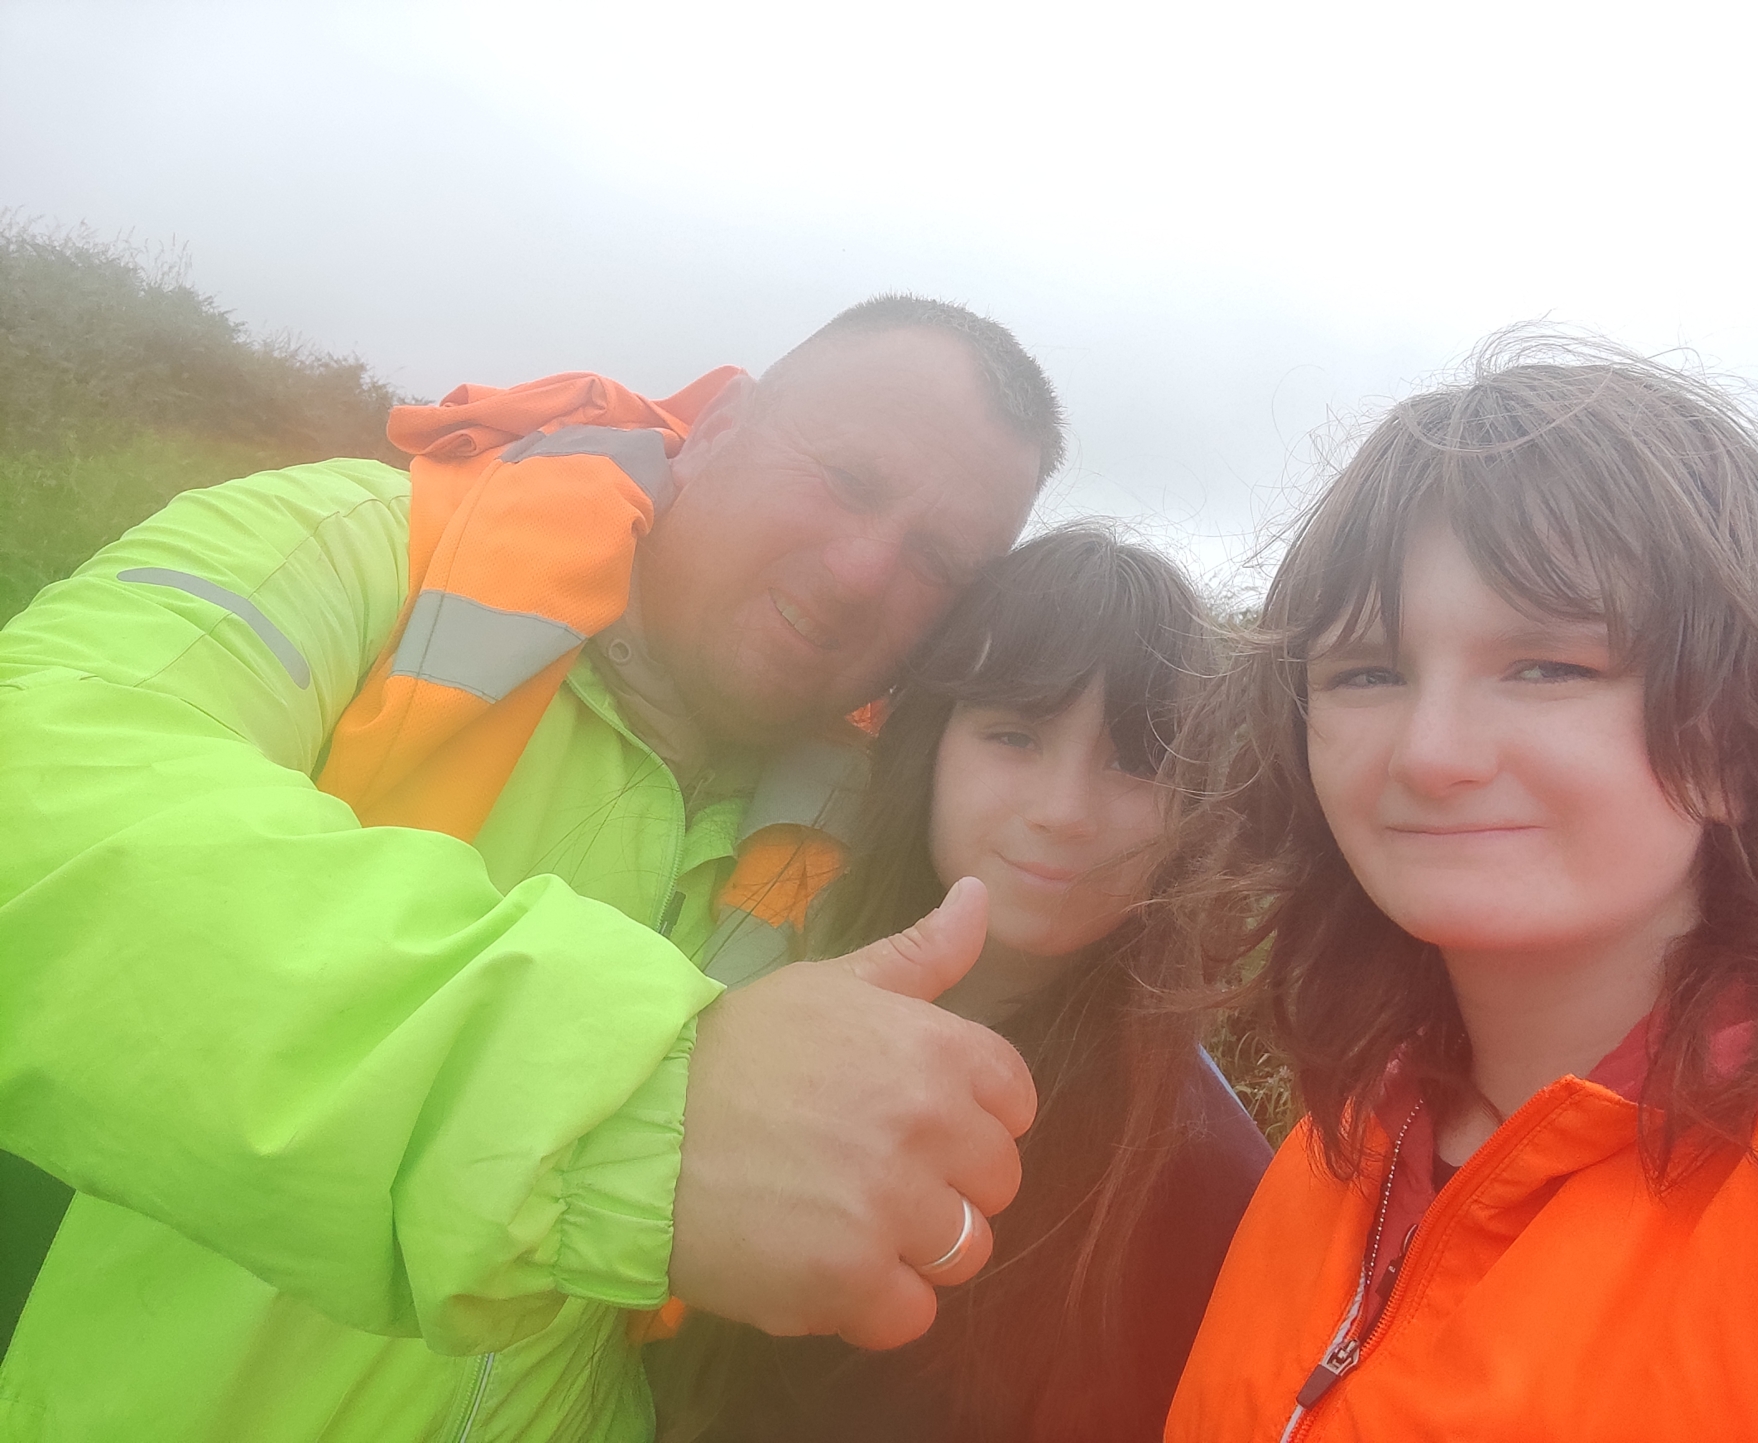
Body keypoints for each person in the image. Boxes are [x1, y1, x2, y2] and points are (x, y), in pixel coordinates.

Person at [0, 296, 1058, 1441]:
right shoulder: (360, 546)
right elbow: (42, 792)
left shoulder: (872, 831)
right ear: (716, 429)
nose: (860, 573)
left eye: (937, 563)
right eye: (847, 480)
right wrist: (632, 1112)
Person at [1161, 336, 1758, 1442]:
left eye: (1549, 668)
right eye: (1367, 672)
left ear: (1740, 736)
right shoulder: (1342, 1145)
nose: (1431, 753)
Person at [647, 526, 1272, 1443]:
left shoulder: (1205, 1185)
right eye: (1016, 735)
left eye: (1137, 760)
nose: (1063, 811)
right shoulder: (732, 966)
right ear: (928, 747)